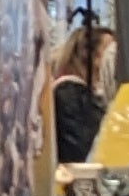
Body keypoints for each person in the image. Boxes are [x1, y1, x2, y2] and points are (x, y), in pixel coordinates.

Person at [46, 12, 115, 167]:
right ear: (92, 56)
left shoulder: (80, 94)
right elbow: (84, 148)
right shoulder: (69, 93)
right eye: (109, 50)